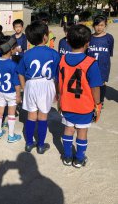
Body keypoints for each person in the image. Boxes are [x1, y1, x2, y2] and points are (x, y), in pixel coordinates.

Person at [59, 24, 103, 168]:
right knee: (82, 132)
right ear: (87, 43)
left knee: (68, 129)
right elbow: (95, 87)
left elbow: (59, 83)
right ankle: (79, 158)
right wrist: (97, 104)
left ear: (68, 41)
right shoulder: (90, 63)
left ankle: (66, 156)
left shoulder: (62, 60)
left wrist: (59, 99)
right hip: (84, 106)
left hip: (66, 103)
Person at [18, 20, 60, 154]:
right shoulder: (53, 53)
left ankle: (29, 144)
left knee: (31, 116)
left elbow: (20, 72)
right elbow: (57, 75)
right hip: (46, 84)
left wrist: (25, 87)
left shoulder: (27, 54)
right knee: (42, 117)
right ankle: (41, 145)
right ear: (45, 37)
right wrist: (57, 92)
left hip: (31, 84)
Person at [0, 36, 22, 143]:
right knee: (11, 113)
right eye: (14, 47)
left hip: (0, 91)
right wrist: (18, 95)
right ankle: (11, 135)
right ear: (11, 50)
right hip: (11, 93)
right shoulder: (12, 64)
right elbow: (16, 83)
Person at [87, 15, 114, 107]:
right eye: (97, 25)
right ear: (93, 26)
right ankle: (91, 101)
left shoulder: (109, 38)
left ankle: (100, 102)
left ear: (105, 25)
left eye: (102, 25)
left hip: (103, 65)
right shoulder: (89, 38)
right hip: (90, 66)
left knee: (101, 83)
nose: (99, 27)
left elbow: (109, 52)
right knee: (90, 83)